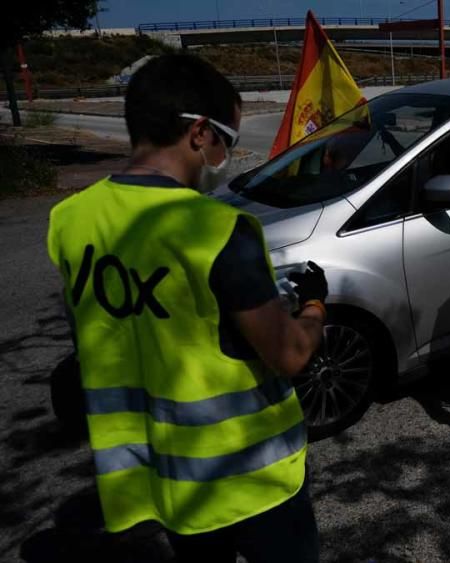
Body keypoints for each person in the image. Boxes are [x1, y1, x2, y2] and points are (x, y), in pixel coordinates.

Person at [46, 54, 327, 561]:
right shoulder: (217, 229)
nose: (225, 157)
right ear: (200, 132)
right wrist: (314, 307)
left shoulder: (70, 220)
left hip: (162, 477)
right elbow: (288, 355)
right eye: (228, 141)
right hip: (254, 477)